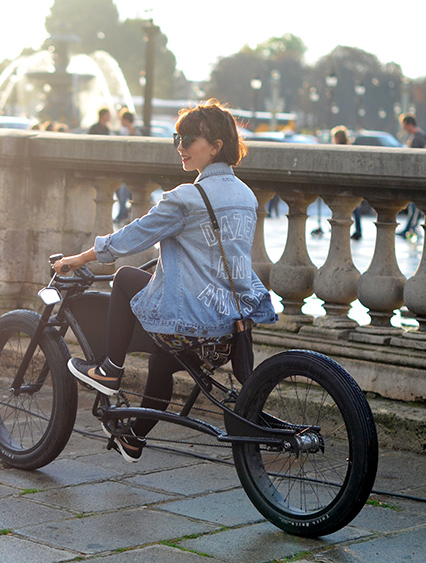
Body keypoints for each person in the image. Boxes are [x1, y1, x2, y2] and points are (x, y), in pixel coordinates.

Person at [54, 99, 277, 462]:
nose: (180, 147)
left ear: (215, 146)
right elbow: (207, 258)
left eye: (189, 140)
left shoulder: (187, 198)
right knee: (161, 360)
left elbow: (129, 239)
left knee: (126, 278)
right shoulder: (245, 195)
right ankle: (134, 439)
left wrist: (80, 258)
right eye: (178, 137)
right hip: (229, 325)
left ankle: (109, 370)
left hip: (194, 322)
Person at [331, 125, 362, 240]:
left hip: (344, 182)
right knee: (354, 207)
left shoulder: (339, 150)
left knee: (340, 205)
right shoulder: (350, 148)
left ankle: (339, 226)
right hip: (352, 181)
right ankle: (358, 229)